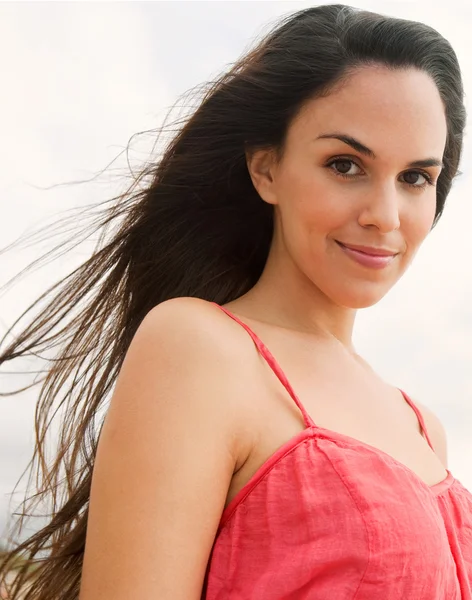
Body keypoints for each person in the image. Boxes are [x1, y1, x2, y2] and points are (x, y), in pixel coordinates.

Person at [0, 3, 470, 599]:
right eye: (345, 165)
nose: (384, 216)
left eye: (416, 178)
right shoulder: (199, 348)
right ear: (266, 168)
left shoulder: (424, 427)